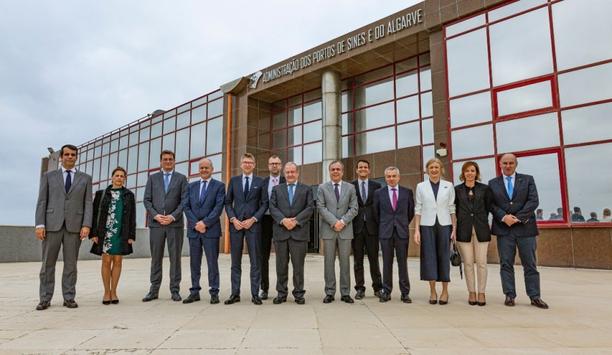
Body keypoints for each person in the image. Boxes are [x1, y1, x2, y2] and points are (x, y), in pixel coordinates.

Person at [34, 144, 93, 310]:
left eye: (73, 155)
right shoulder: (48, 176)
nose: (69, 157)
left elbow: (88, 203)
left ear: (76, 157)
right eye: (66, 154)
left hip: (74, 227)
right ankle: (45, 298)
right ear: (61, 157)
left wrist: (86, 225)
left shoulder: (86, 178)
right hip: (51, 225)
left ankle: (69, 297)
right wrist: (40, 224)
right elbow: (42, 201)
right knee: (47, 265)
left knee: (71, 265)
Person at [489, 153, 548, 309]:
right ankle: (509, 295)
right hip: (504, 230)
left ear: (516, 164)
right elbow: (492, 205)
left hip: (525, 228)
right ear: (500, 165)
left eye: (511, 163)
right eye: (505, 163)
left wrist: (516, 218)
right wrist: (503, 217)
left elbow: (533, 201)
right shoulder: (492, 183)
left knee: (530, 264)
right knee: (506, 264)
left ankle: (535, 296)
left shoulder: (528, 179)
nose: (508, 166)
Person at [142, 150, 188, 302]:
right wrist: (156, 215)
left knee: (175, 258)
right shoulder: (153, 178)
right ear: (160, 162)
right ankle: (154, 290)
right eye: (165, 159)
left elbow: (184, 201)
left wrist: (172, 216)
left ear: (174, 161)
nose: (168, 162)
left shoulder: (181, 179)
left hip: (174, 225)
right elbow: (147, 200)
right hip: (156, 224)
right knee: (156, 258)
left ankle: (175, 290)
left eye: (170, 159)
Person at [224, 153, 268, 305]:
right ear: (241, 164)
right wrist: (233, 219)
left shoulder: (260, 181)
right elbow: (228, 202)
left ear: (254, 165)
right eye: (245, 162)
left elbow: (264, 204)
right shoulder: (234, 181)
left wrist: (254, 219)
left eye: (250, 162)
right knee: (235, 261)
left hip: (253, 226)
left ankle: (255, 294)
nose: (247, 164)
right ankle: (235, 293)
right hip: (236, 226)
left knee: (255, 261)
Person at [269, 162, 314, 305]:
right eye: (287, 172)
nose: (290, 174)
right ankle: (281, 293)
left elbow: (310, 208)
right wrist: (283, 220)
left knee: (298, 266)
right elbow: (272, 207)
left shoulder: (306, 189)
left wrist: (295, 221)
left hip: (299, 233)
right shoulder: (277, 189)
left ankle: (299, 294)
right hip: (281, 232)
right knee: (281, 266)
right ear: (284, 174)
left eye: (292, 172)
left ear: (297, 173)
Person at [182, 158, 226, 305]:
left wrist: (205, 223)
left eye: (207, 168)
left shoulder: (219, 186)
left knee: (212, 263)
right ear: (198, 170)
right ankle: (194, 291)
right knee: (194, 263)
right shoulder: (190, 186)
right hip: (194, 231)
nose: (204, 170)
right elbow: (186, 206)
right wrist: (195, 224)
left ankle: (214, 291)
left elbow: (218, 208)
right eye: (201, 168)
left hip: (211, 230)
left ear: (212, 169)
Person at [90, 167, 136, 305]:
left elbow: (132, 216)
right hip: (105, 232)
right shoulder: (101, 194)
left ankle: (114, 291)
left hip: (121, 232)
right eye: (117, 175)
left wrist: (131, 235)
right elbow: (94, 214)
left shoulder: (129, 195)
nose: (119, 178)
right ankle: (106, 292)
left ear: (125, 178)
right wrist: (93, 233)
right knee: (106, 262)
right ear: (112, 177)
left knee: (117, 261)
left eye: (122, 176)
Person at [413, 158, 456, 305]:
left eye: (436, 167)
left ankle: (445, 291)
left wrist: (454, 228)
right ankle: (432, 291)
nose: (434, 170)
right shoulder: (421, 186)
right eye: (431, 167)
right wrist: (417, 230)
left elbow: (452, 208)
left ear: (441, 169)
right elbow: (418, 208)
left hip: (445, 225)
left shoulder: (448, 186)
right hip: (426, 225)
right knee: (429, 257)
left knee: (444, 256)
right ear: (427, 170)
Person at [317, 160, 358, 304]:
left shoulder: (351, 188)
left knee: (345, 263)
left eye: (338, 169)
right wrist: (334, 222)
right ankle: (329, 292)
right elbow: (321, 207)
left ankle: (345, 293)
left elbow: (354, 208)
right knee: (329, 262)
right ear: (329, 171)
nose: (335, 171)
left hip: (345, 231)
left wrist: (342, 222)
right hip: (329, 230)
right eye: (333, 169)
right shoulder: (322, 188)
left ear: (342, 171)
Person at [373, 166, 414, 303]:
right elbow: (376, 213)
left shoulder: (407, 192)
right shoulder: (379, 193)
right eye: (388, 176)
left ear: (398, 177)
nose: (391, 178)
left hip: (402, 232)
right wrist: (386, 224)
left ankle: (405, 293)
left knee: (403, 263)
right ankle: (386, 291)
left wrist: (401, 223)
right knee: (387, 262)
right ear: (385, 178)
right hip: (385, 232)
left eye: (393, 176)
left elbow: (410, 213)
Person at [454, 161, 491, 306]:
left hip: (481, 229)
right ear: (463, 174)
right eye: (467, 171)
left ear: (477, 173)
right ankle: (472, 292)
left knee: (482, 263)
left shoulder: (485, 189)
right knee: (468, 263)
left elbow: (488, 207)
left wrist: (479, 219)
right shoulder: (457, 190)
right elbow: (455, 210)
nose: (470, 173)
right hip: (464, 230)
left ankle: (481, 292)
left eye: (472, 170)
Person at [351, 159, 383, 300]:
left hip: (372, 228)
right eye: (360, 167)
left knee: (373, 259)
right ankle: (360, 288)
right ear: (357, 170)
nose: (363, 169)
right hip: (356, 228)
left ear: (369, 170)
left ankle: (378, 287)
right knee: (358, 261)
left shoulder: (377, 186)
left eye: (365, 167)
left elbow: (380, 207)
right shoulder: (350, 186)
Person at [259, 155, 285, 300]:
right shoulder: (263, 183)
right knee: (264, 256)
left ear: (280, 166)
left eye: (277, 163)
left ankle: (282, 288)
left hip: (280, 221)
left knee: (282, 257)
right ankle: (264, 288)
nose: (274, 166)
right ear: (268, 166)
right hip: (265, 221)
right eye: (272, 164)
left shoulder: (286, 181)